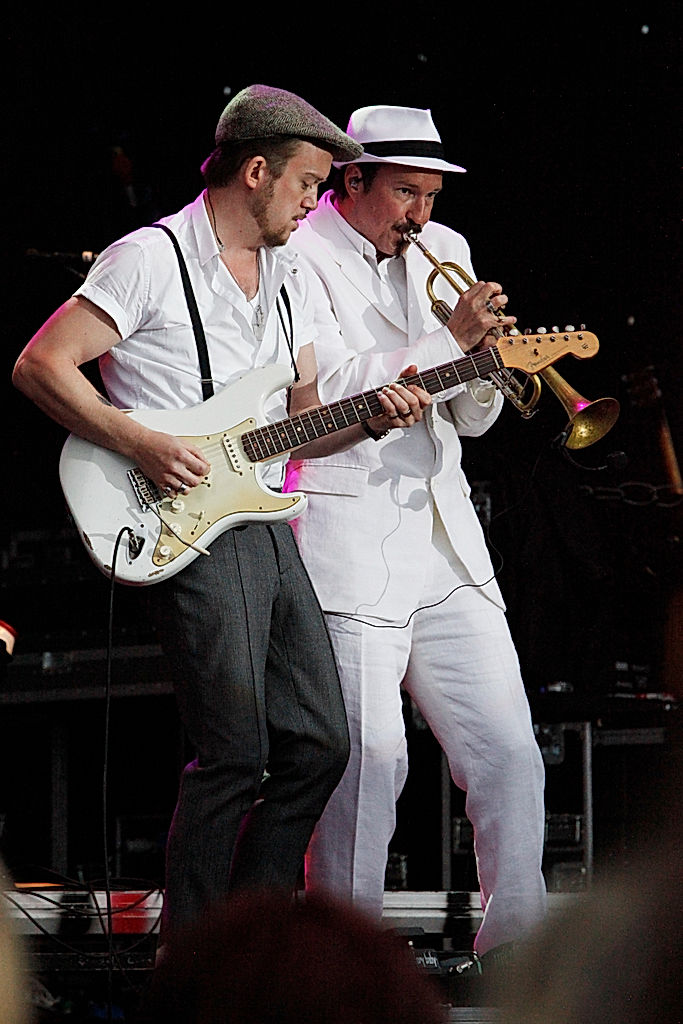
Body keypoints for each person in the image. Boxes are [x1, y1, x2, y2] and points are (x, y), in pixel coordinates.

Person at [11, 85, 429, 938]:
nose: (314, 202)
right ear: (255, 171)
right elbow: (39, 364)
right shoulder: (149, 258)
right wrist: (138, 441)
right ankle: (195, 958)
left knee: (320, 743)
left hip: (264, 519)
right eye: (307, 182)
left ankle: (250, 936)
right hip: (184, 522)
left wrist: (371, 417)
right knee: (235, 750)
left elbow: (302, 423)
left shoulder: (290, 275)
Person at [283, 104, 547, 961]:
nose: (420, 216)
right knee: (370, 767)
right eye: (404, 193)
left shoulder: (447, 247)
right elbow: (321, 395)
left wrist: (486, 366)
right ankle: (344, 963)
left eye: (430, 196)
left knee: (508, 750)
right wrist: (447, 340)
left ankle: (518, 955)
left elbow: (469, 422)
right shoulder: (298, 253)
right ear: (351, 180)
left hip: (443, 539)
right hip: (347, 536)